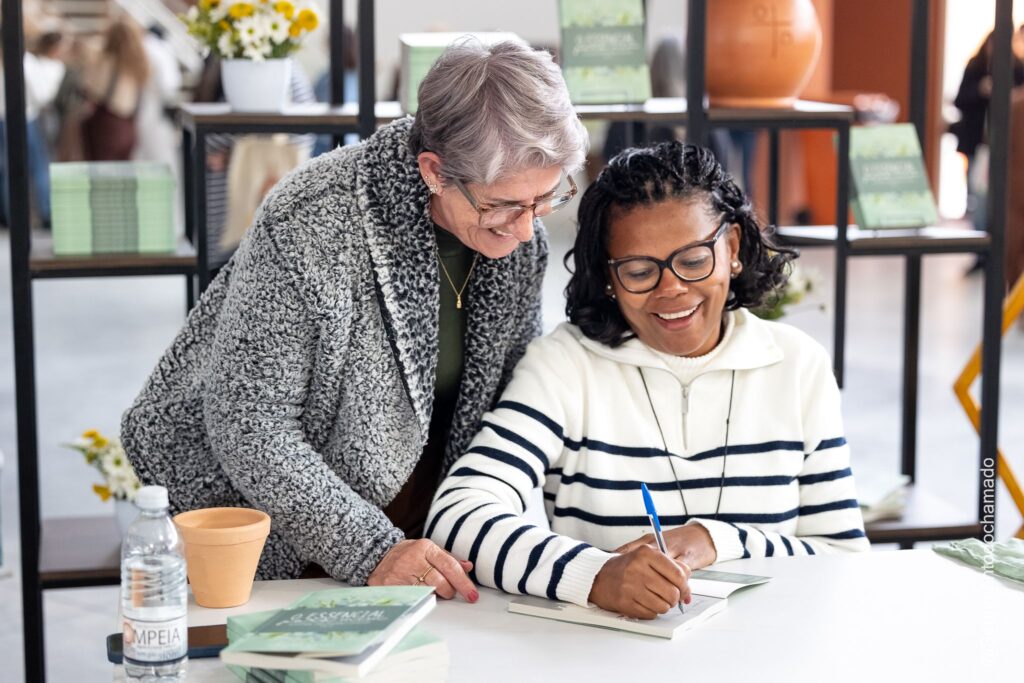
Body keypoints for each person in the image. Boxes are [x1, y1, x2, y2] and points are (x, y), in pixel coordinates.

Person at [121, 40, 588, 603]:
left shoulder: (521, 239)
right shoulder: (313, 219)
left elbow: (502, 405)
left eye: (545, 200)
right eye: (503, 205)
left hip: (425, 536)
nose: (523, 229)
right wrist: (370, 549)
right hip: (289, 531)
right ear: (434, 171)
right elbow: (248, 420)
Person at [427, 142, 869, 620]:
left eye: (696, 259)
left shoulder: (797, 365)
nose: (672, 288)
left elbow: (845, 559)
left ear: (734, 248)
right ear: (609, 278)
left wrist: (716, 541)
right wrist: (593, 575)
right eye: (639, 271)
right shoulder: (567, 364)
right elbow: (456, 516)